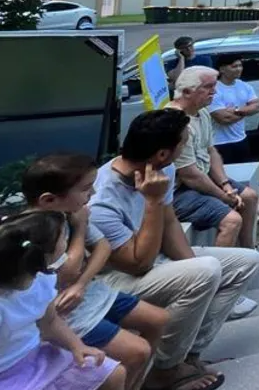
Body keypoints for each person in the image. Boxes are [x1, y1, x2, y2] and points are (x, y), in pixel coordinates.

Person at [90, 109, 259, 390]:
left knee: (245, 261)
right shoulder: (101, 200)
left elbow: (169, 223)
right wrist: (153, 201)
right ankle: (164, 369)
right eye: (183, 143)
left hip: (151, 259)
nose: (185, 148)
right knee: (204, 271)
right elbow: (138, 264)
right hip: (115, 278)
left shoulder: (162, 170)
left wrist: (193, 266)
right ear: (162, 153)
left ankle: (187, 354)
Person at [22, 155, 170, 390]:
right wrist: (80, 229)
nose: (91, 195)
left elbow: (103, 247)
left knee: (158, 319)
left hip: (85, 293)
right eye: (84, 189)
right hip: (62, 311)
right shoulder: (35, 231)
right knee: (137, 351)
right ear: (49, 200)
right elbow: (67, 271)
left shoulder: (68, 212)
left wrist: (81, 283)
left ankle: (136, 383)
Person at [0, 211, 126, 390]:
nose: (67, 241)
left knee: (115, 374)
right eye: (64, 237)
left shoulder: (42, 280)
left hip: (37, 355)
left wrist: (77, 346)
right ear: (44, 254)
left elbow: (50, 322)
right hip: (6, 375)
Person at [168, 67, 259, 278]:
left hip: (203, 178)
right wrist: (224, 196)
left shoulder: (202, 112)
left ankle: (250, 254)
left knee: (249, 196)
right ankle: (221, 280)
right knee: (231, 221)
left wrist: (225, 184)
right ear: (187, 91)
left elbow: (211, 151)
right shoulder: (175, 122)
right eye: (208, 87)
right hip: (179, 191)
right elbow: (189, 175)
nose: (214, 92)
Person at [209, 53, 259, 164]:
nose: (238, 69)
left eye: (240, 65)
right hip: (220, 143)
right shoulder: (214, 90)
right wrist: (247, 110)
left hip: (241, 139)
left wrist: (236, 110)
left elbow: (257, 106)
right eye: (234, 66)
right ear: (222, 69)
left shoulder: (244, 86)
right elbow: (223, 119)